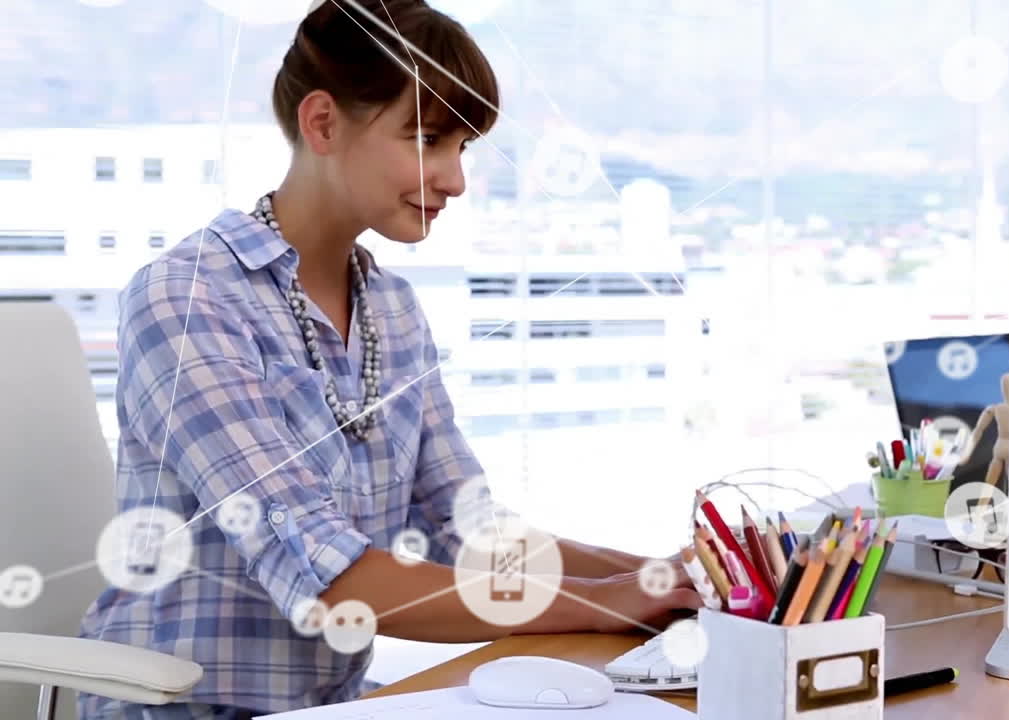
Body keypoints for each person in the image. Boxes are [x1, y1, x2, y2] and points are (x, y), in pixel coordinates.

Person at [78, 3, 699, 718]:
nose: (457, 178)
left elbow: (468, 529)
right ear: (322, 124)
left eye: (462, 147)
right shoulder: (186, 300)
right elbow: (329, 578)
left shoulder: (393, 308)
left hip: (341, 706)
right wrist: (598, 605)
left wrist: (658, 575)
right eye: (428, 137)